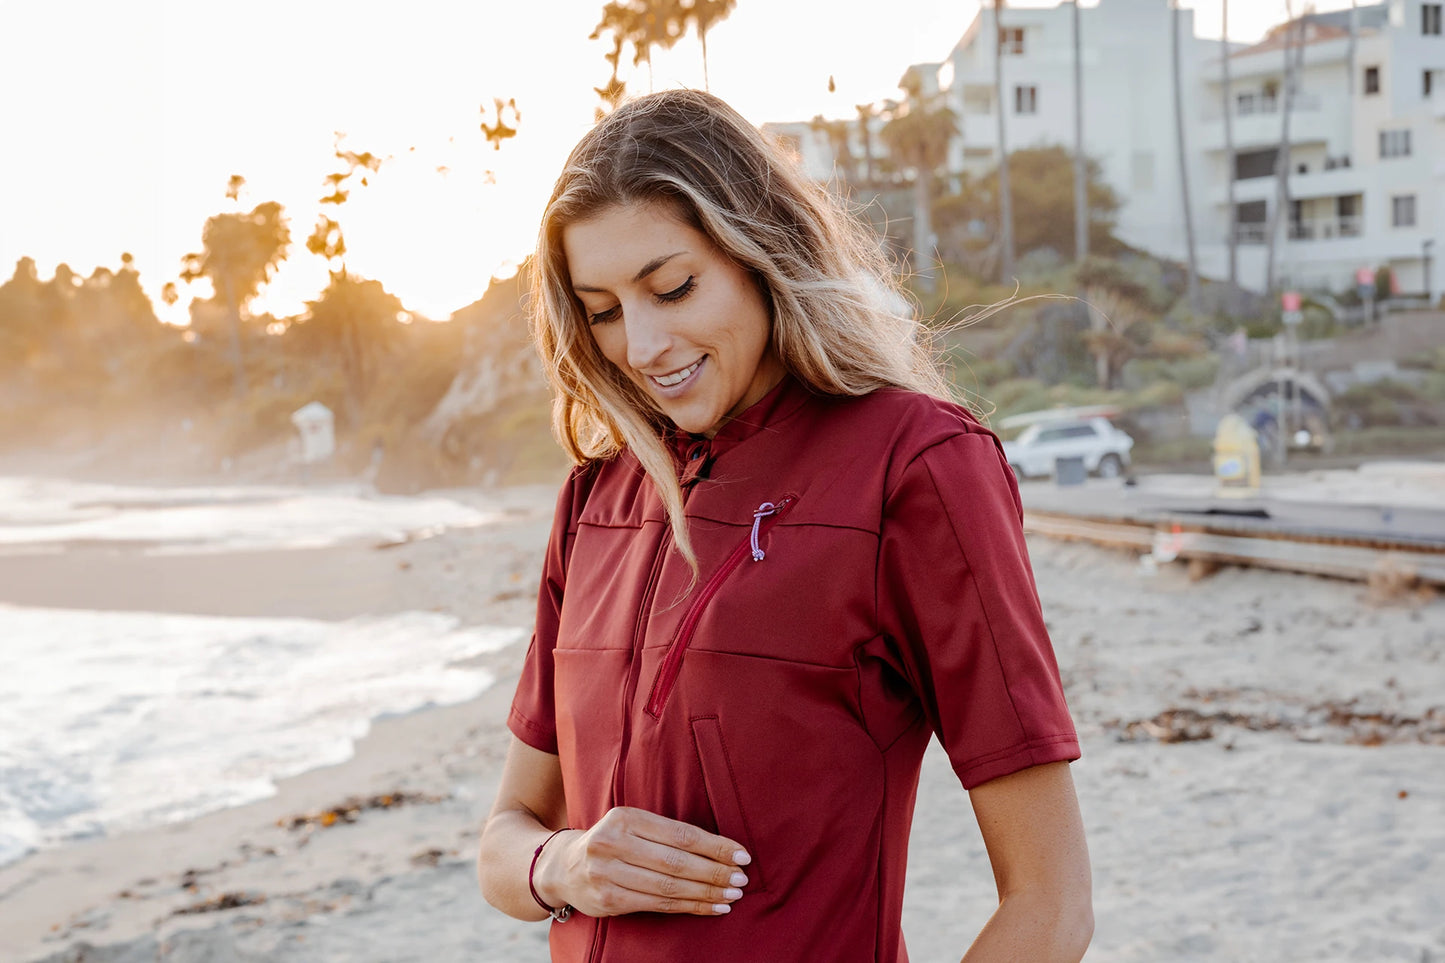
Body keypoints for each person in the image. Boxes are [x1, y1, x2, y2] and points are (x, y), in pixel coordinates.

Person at [477, 89, 1092, 962]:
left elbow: (1051, 903)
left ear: (760, 254)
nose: (643, 344)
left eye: (673, 287)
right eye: (605, 310)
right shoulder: (596, 497)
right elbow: (505, 839)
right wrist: (567, 864)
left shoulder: (913, 465)